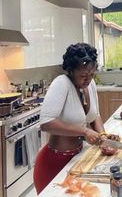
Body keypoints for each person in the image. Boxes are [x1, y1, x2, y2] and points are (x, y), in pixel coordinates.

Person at [33, 43, 107, 194]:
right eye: (83, 75)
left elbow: (95, 115)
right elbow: (46, 123)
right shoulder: (61, 83)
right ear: (72, 70)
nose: (88, 79)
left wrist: (103, 137)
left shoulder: (90, 85)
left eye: (92, 74)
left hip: (78, 157)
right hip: (54, 162)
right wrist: (85, 131)